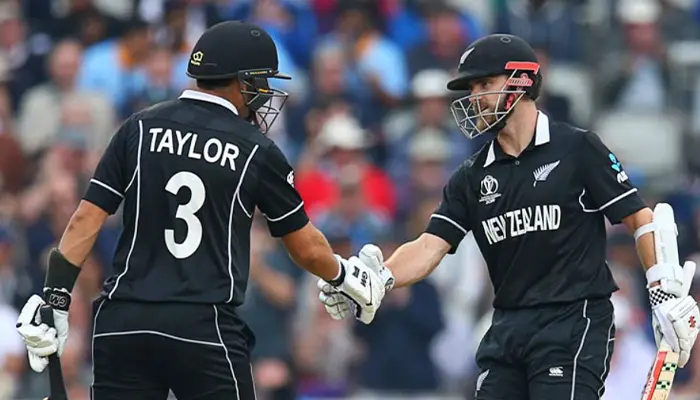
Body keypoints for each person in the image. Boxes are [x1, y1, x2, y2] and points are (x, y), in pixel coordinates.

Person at [14, 21, 388, 400]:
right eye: (259, 82)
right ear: (239, 81)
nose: (264, 94)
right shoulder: (256, 148)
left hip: (124, 319)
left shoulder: (138, 127)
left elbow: (85, 219)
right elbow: (305, 247)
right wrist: (343, 273)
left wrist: (56, 297)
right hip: (202, 322)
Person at [318, 34, 700, 399]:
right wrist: (380, 278)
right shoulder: (471, 176)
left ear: (520, 81)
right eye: (470, 89)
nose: (474, 98)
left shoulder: (577, 148)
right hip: (507, 326)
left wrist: (662, 291)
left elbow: (641, 218)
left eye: (483, 84)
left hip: (572, 320)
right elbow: (429, 245)